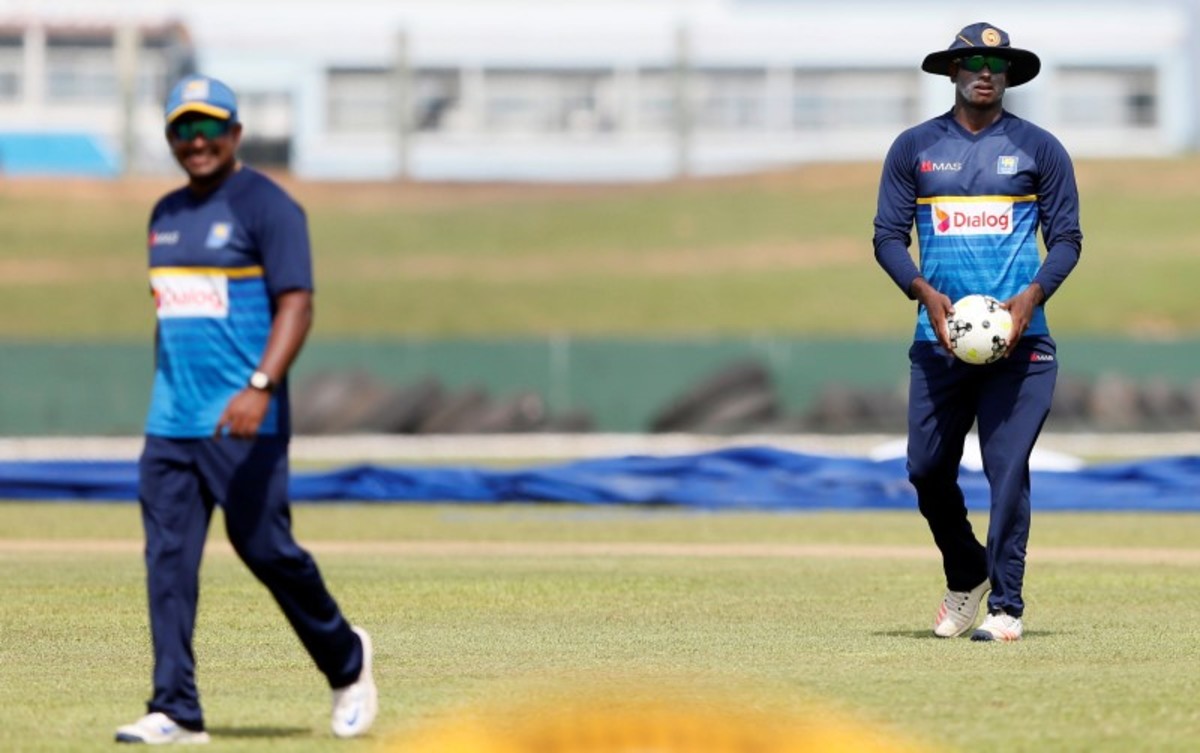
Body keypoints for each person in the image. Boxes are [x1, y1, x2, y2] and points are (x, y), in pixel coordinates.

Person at [116, 74, 378, 743]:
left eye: (209, 128)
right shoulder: (164, 215)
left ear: (235, 133)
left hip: (245, 420)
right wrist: (167, 397)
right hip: (172, 424)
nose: (196, 142)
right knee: (168, 561)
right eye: (183, 129)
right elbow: (173, 320)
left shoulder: (270, 207)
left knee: (265, 548)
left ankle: (347, 660)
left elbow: (298, 304)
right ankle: (176, 709)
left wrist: (260, 386)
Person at [872, 23, 1082, 643]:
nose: (985, 72)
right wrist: (923, 291)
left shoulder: (1040, 149)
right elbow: (887, 237)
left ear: (1009, 74)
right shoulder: (914, 148)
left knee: (1007, 470)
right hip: (938, 342)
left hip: (1023, 347)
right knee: (925, 469)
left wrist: (1032, 296)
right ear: (952, 72)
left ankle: (1006, 607)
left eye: (996, 62)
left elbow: (1067, 239)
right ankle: (967, 571)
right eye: (973, 62)